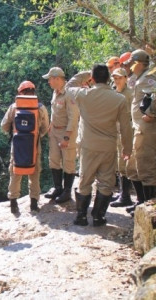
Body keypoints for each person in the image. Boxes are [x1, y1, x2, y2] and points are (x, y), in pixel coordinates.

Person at [69, 64, 133, 226]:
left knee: (85, 180)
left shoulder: (83, 95)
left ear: (93, 78)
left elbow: (69, 86)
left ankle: (81, 216)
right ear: (108, 79)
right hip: (108, 147)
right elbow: (126, 126)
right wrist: (127, 148)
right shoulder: (119, 99)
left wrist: (85, 75)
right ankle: (98, 217)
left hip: (88, 146)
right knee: (106, 183)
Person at [1, 81, 49, 213]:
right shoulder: (40, 108)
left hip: (17, 145)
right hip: (34, 143)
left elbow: (4, 126)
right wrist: (36, 135)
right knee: (34, 172)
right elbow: (45, 128)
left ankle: (13, 203)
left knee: (15, 172)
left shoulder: (14, 107)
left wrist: (15, 132)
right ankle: (34, 204)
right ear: (34, 91)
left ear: (20, 92)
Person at [125, 49, 156, 215]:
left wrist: (151, 113)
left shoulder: (149, 77)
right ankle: (140, 202)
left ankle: (149, 208)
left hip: (146, 129)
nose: (130, 65)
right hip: (137, 127)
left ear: (140, 63)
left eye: (132, 62)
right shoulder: (139, 78)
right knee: (133, 167)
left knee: (146, 167)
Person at [42, 67, 80, 204]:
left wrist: (67, 137)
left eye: (50, 79)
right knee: (53, 160)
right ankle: (58, 188)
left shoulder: (69, 94)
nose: (49, 82)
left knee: (68, 162)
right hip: (55, 131)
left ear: (57, 78)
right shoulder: (55, 92)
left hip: (66, 132)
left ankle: (67, 191)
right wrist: (51, 127)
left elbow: (73, 117)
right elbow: (55, 112)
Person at [109, 68, 134, 207]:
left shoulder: (129, 94)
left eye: (119, 78)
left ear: (125, 78)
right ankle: (121, 193)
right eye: (115, 78)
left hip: (125, 131)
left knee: (125, 164)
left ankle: (126, 196)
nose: (117, 80)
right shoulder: (113, 92)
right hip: (114, 132)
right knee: (118, 164)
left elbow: (130, 115)